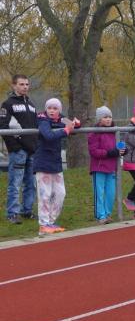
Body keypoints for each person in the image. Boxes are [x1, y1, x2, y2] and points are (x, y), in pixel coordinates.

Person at [33, 98, 78, 235]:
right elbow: (48, 135)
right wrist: (65, 131)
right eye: (49, 108)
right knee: (45, 195)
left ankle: (51, 221)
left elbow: (72, 126)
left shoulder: (61, 118)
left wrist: (76, 123)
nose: (52, 111)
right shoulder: (42, 119)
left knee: (60, 194)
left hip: (56, 163)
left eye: (55, 108)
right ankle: (43, 224)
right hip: (43, 162)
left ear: (59, 110)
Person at [0, 74, 38, 224]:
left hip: (32, 151)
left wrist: (35, 146)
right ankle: (12, 213)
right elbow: (3, 127)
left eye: (27, 84)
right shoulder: (7, 104)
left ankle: (27, 211)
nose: (25, 87)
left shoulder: (32, 105)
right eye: (21, 84)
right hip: (18, 152)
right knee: (15, 183)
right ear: (14, 85)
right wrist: (15, 148)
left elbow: (36, 127)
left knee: (31, 183)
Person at [88, 106, 123, 224]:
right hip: (99, 167)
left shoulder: (114, 131)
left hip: (111, 168)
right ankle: (101, 215)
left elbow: (119, 145)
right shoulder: (94, 133)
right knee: (99, 192)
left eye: (109, 117)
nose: (108, 119)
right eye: (105, 117)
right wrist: (108, 153)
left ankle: (107, 214)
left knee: (111, 193)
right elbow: (93, 151)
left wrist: (123, 150)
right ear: (99, 119)